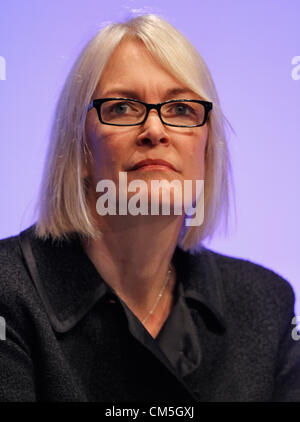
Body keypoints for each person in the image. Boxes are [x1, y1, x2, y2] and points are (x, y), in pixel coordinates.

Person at [0, 13, 299, 402]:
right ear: (80, 151)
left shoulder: (266, 303)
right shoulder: (8, 293)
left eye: (181, 109)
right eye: (122, 107)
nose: (155, 130)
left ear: (206, 148)